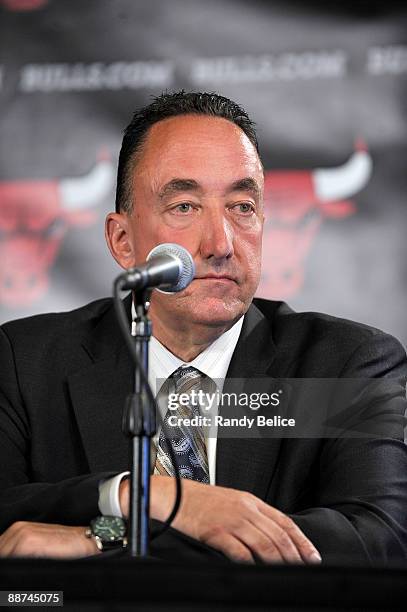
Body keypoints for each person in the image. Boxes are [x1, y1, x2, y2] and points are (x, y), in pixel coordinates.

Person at [0, 91, 406, 565]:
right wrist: (144, 495)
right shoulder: (24, 362)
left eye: (242, 206)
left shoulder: (343, 364)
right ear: (123, 240)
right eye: (185, 206)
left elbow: (378, 540)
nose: (221, 243)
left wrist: (107, 538)